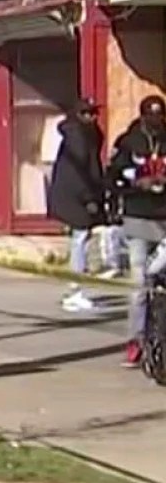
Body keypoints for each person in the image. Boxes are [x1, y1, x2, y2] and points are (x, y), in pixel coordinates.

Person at [108, 94, 166, 368]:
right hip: (138, 217)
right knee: (139, 284)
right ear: (142, 116)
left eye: (160, 115)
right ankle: (136, 340)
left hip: (164, 217)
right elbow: (113, 176)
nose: (156, 121)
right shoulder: (128, 142)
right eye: (151, 115)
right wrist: (138, 183)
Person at [48, 98, 109, 313]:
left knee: (82, 240)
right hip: (75, 197)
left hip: (78, 195)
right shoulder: (78, 138)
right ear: (79, 115)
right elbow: (78, 174)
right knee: (80, 241)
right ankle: (75, 291)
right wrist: (89, 198)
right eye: (87, 113)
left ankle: (76, 288)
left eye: (94, 113)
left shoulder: (87, 136)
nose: (92, 118)